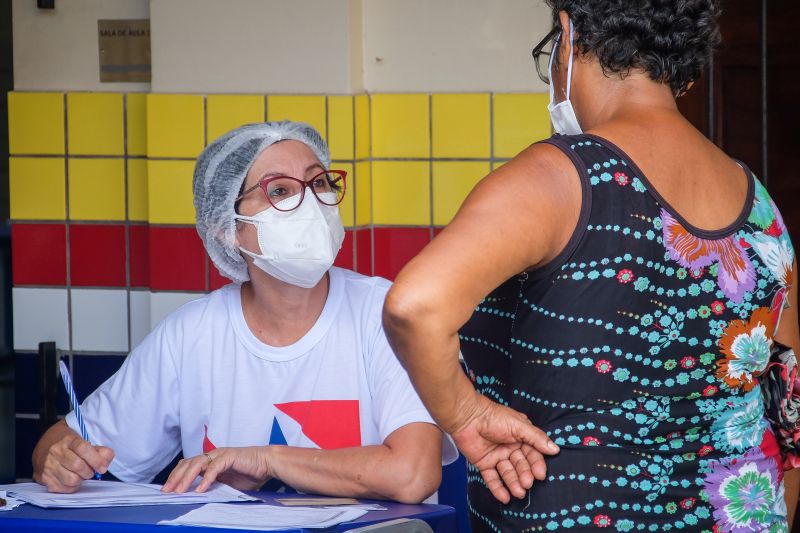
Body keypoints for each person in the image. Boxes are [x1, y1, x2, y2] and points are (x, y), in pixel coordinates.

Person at [382, 0, 800, 530]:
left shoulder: (558, 178)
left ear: (567, 33)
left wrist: (467, 414)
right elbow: (788, 402)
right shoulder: (759, 204)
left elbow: (415, 307)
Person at [32, 121, 456, 503]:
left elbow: (413, 475)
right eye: (280, 191)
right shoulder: (192, 335)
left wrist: (267, 459)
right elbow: (63, 441)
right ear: (227, 229)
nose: (310, 202)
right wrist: (57, 460)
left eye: (318, 182)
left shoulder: (385, 314)